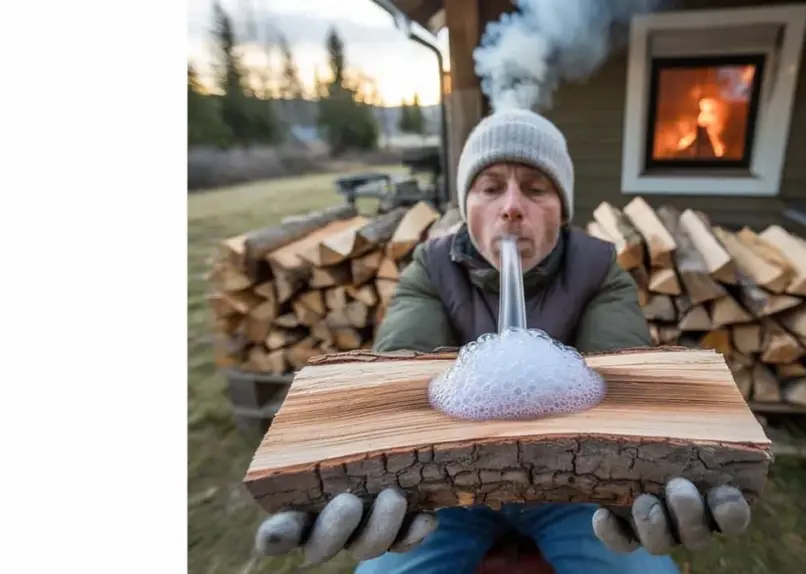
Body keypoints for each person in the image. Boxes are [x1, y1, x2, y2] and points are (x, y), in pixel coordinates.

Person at [253, 109, 752, 573]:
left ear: (562, 209)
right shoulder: (432, 268)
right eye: (491, 188)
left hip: (574, 486)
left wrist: (637, 482)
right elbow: (401, 366)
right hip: (446, 486)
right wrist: (357, 468)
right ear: (467, 206)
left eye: (536, 189)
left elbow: (617, 386)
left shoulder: (599, 269)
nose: (512, 208)